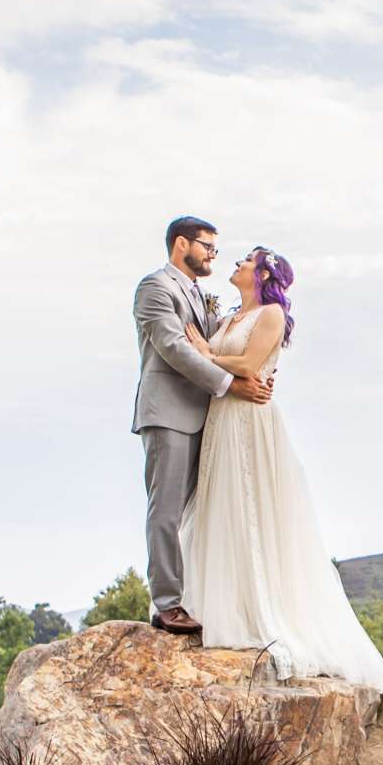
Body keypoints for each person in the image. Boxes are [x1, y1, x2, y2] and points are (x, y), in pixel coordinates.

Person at [178, 247, 383, 689]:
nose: (236, 264)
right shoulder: (231, 317)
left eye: (245, 261)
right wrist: (206, 348)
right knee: (222, 507)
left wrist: (204, 353)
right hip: (222, 419)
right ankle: (224, 604)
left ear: (263, 273)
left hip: (249, 421)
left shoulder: (270, 313)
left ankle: (262, 610)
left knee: (252, 506)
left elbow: (250, 366)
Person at [131, 216, 273, 635]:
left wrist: (261, 370)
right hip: (169, 413)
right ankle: (167, 604)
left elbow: (216, 347)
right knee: (167, 510)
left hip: (207, 418)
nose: (214, 254)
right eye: (207, 246)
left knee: (201, 512)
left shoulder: (199, 294)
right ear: (181, 244)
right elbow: (174, 348)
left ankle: (199, 595)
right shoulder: (155, 287)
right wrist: (233, 385)